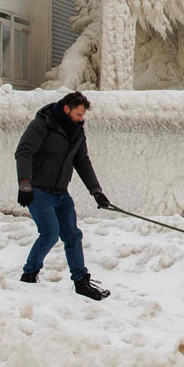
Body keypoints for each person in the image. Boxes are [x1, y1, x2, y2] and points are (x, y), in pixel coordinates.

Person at [14, 91, 112, 300]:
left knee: (73, 235)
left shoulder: (76, 132)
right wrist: (24, 184)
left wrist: (96, 191)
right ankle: (29, 274)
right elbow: (24, 152)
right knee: (50, 233)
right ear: (66, 109)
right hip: (38, 190)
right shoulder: (43, 124)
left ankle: (81, 282)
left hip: (60, 193)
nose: (81, 119)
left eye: (83, 115)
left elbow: (82, 161)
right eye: (78, 114)